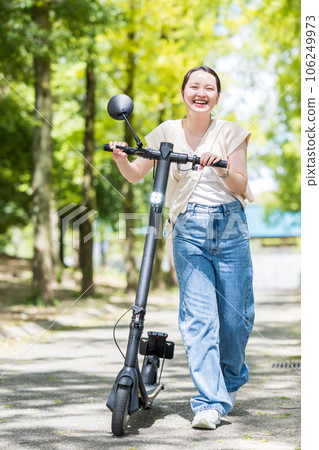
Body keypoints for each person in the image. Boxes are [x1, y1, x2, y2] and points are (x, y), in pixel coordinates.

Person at [109, 65, 255, 430]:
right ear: (183, 93)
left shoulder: (232, 133)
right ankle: (209, 402)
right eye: (194, 86)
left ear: (217, 97)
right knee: (199, 319)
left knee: (236, 321)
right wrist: (121, 159)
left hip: (230, 225)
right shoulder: (166, 132)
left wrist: (219, 168)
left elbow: (239, 182)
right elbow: (138, 173)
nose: (201, 92)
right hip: (188, 227)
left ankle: (228, 381)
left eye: (209, 87)